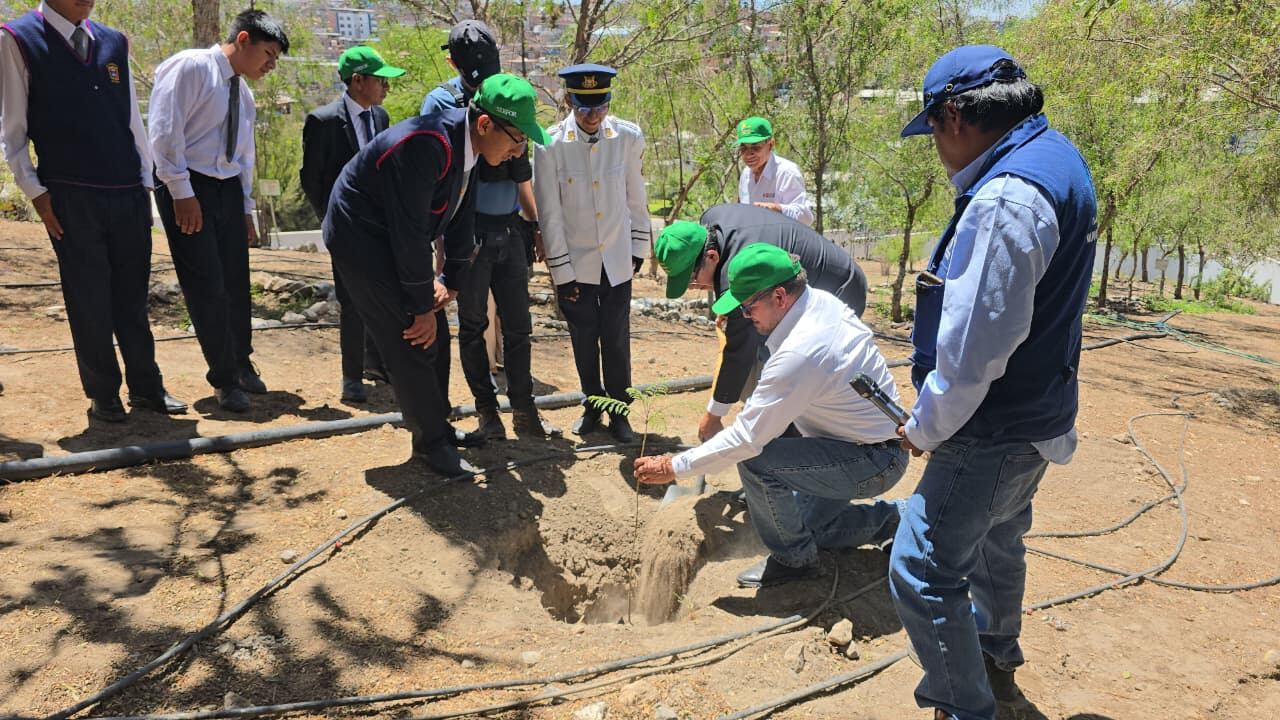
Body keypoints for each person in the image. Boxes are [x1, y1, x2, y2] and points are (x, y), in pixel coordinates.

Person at [890, 45, 1098, 720]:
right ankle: (993, 655)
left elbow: (977, 348)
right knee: (998, 539)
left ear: (953, 116)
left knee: (921, 568)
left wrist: (924, 426)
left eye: (932, 136)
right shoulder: (1057, 156)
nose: (937, 151)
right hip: (1039, 415)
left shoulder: (1006, 198)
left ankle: (967, 705)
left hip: (990, 426)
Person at [634, 244, 906, 588]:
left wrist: (674, 467)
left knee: (756, 462)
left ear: (779, 296)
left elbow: (748, 439)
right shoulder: (816, 303)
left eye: (749, 308)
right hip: (850, 445)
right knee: (808, 527)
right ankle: (898, 519)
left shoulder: (804, 350)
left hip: (871, 459)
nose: (746, 318)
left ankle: (794, 561)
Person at [323, 73, 547, 477]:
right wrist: (420, 303)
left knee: (437, 335)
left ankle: (437, 425)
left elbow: (462, 220)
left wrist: (452, 281)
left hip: (393, 238)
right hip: (362, 238)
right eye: (516, 139)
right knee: (410, 334)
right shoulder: (429, 145)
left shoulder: (473, 149)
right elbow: (409, 237)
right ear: (484, 124)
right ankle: (429, 445)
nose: (518, 151)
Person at [0, 0, 187, 421]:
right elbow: (12, 128)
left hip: (127, 189)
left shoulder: (114, 41)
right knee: (89, 298)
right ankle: (104, 394)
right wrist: (36, 192)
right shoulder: (18, 39)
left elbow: (132, 120)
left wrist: (146, 184)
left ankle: (147, 388)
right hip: (69, 193)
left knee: (132, 298)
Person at [422, 20, 558, 440]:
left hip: (510, 231)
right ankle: (486, 411)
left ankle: (524, 409)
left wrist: (534, 225)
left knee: (519, 325)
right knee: (473, 325)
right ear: (453, 61)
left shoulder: (508, 96)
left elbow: (521, 171)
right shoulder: (442, 102)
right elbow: (439, 183)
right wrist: (444, 250)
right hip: (468, 234)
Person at [149, 9, 289, 412]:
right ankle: (224, 380)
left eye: (276, 57)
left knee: (234, 282)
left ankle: (240, 362)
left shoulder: (242, 93)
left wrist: (245, 209)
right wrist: (181, 192)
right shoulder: (191, 67)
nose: (270, 64)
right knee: (206, 284)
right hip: (188, 185)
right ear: (243, 40)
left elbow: (243, 156)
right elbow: (164, 131)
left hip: (226, 189)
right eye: (268, 53)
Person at [654, 203, 868, 442]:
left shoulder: (737, 273)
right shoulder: (711, 222)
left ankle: (799, 445)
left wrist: (713, 416)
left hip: (839, 287)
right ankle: (780, 429)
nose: (693, 286)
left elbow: (739, 352)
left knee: (793, 369)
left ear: (712, 256)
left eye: (692, 279)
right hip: (800, 287)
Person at [533, 63, 649, 443]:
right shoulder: (549, 145)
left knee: (616, 337)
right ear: (568, 101)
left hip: (617, 259)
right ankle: (593, 402)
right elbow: (549, 214)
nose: (593, 117)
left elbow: (636, 197)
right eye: (584, 108)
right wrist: (561, 273)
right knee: (584, 337)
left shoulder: (627, 138)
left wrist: (638, 247)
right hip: (576, 262)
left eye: (600, 107)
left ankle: (620, 411)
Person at [300, 45, 403, 404]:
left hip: (379, 226)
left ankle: (378, 364)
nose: (385, 88)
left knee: (382, 296)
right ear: (357, 81)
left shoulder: (382, 117)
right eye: (380, 81)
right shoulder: (324, 121)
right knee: (351, 301)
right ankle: (351, 375)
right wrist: (330, 222)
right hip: (344, 228)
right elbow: (312, 179)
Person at [735, 117, 814, 227]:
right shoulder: (746, 173)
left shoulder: (786, 172)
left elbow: (806, 217)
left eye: (756, 147)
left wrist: (776, 209)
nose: (748, 155)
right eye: (743, 149)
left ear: (771, 144)